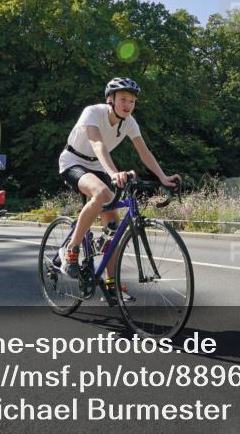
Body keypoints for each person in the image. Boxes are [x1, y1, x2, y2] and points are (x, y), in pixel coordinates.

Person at [57, 78, 179, 294]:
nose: (128, 105)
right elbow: (97, 144)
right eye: (123, 99)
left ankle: (111, 283)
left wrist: (162, 177)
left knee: (112, 223)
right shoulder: (92, 112)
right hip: (73, 161)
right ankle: (71, 250)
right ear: (110, 99)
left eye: (132, 101)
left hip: (98, 166)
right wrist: (114, 173)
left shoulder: (129, 122)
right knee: (102, 192)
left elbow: (144, 152)